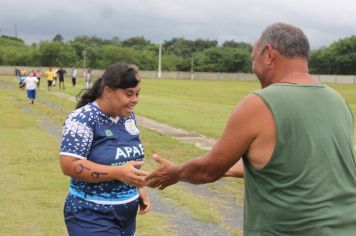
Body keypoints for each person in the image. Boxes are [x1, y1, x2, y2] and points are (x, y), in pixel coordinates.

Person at [146, 22, 356, 235]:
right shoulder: (337, 102)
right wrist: (228, 169)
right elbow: (296, 167)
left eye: (253, 60)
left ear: (268, 54)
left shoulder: (260, 103)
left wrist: (176, 173)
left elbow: (207, 170)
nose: (253, 67)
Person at [59, 63, 150, 236]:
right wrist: (117, 173)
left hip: (126, 217)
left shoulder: (127, 116)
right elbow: (69, 165)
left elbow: (126, 159)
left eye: (137, 94)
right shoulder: (83, 119)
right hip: (91, 215)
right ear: (107, 92)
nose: (135, 99)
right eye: (128, 94)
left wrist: (138, 188)